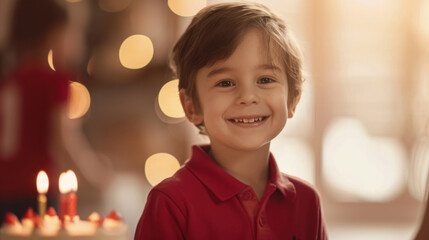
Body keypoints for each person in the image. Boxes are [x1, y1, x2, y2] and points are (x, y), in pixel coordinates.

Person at [135, 2, 327, 239]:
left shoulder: (307, 202)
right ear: (191, 106)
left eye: (265, 80)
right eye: (225, 83)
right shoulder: (171, 202)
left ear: (293, 98)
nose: (247, 97)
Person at [0, 0, 112, 222]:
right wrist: (96, 177)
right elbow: (64, 141)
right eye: (71, 33)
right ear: (53, 35)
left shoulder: (8, 81)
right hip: (36, 194)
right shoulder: (54, 82)